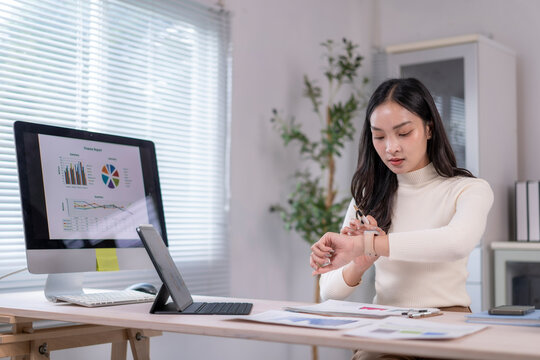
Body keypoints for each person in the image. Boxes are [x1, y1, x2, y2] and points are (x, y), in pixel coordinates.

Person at [309, 78, 494, 360]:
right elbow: (328, 291)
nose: (390, 148)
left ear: (429, 128)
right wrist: (360, 263)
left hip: (447, 324)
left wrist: (369, 244)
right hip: (388, 327)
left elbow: (456, 242)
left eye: (403, 133)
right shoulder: (368, 196)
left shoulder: (468, 189)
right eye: (379, 137)